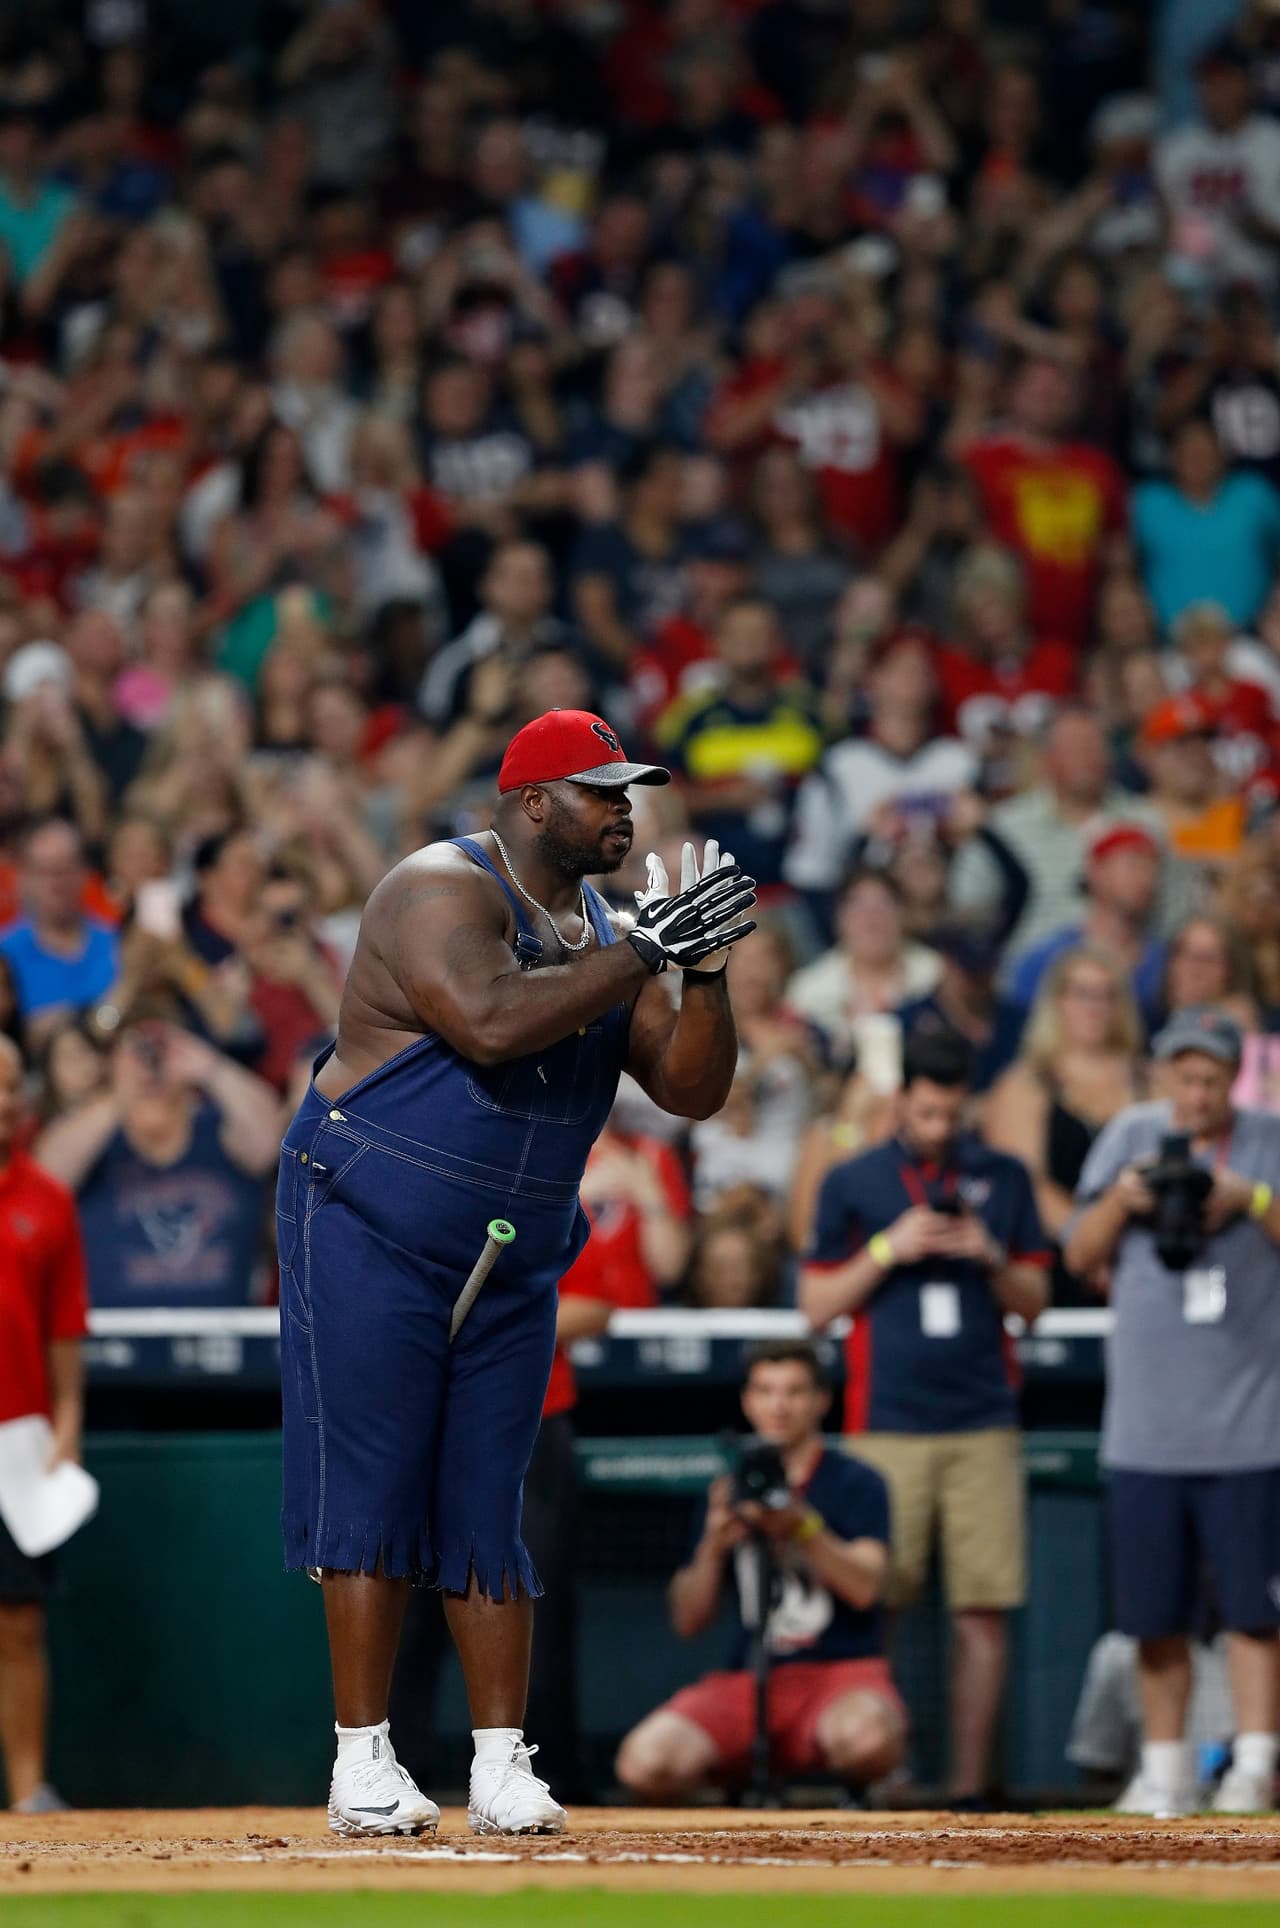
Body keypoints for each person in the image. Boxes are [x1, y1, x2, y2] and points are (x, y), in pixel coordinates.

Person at [277, 707, 757, 1837]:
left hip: (510, 1244)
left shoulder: (596, 921)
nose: (624, 813)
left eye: (628, 793)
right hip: (367, 1221)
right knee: (375, 1482)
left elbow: (688, 1090)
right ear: (534, 799)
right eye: (603, 792)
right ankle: (361, 1756)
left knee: (487, 1496)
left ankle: (500, 1760)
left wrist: (707, 974)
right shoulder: (433, 886)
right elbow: (489, 1020)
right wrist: (642, 949)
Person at [799, 1030, 1050, 1804]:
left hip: (984, 1420)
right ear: (904, 1099)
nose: (939, 1127)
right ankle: (885, 1776)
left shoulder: (1003, 1178)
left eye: (951, 1114)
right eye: (927, 1111)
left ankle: (972, 1789)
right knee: (883, 1604)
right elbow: (813, 1307)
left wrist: (989, 1254)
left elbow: (1037, 1304)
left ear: (967, 1107)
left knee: (984, 1609)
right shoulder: (856, 1180)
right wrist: (888, 1247)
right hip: (885, 1422)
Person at [1065, 1006, 1280, 1814]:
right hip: (1147, 1431)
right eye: (1184, 1076)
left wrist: (1249, 1197)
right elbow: (1078, 1255)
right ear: (1163, 1076)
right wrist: (1122, 1202)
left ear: (1234, 1078)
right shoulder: (1128, 1136)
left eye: (1211, 1078)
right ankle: (1166, 1769)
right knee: (1155, 1616)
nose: (1196, 1092)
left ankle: (1256, 1767)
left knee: (1256, 1614)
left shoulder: (1265, 1141)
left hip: (1252, 1425)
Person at [614, 1342, 905, 1799]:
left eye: (793, 1392)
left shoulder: (856, 1481)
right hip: (751, 1675)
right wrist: (713, 1544)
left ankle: (852, 1786)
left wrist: (803, 1525)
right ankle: (734, 1783)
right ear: (748, 1402)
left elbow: (867, 1587)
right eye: (766, 1391)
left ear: (820, 1401)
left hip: (839, 1672)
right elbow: (687, 1620)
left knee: (867, 1739)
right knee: (645, 1762)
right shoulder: (730, 1488)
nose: (779, 1406)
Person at [34, 1016, 281, 1308]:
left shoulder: (219, 1128)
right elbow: (47, 1176)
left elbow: (270, 1145)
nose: (151, 1062)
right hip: (115, 1339)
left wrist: (208, 1066)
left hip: (223, 1337)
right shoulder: (95, 1135)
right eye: (135, 1050)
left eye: (159, 1050)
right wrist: (120, 1091)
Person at [0, 1033, 89, 1813]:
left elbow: (64, 1329)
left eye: (8, 1085)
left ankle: (29, 1789)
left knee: (19, 1621)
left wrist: (67, 1425)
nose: (1, 1101)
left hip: (18, 1437)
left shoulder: (47, 1200)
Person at [986, 948, 1146, 1307]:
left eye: (1107, 994)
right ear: (1057, 1001)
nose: (1095, 1006)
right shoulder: (1025, 1084)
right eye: (1082, 993)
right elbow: (1027, 1181)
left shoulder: (1152, 1079)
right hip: (1062, 1261)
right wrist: (1089, 1243)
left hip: (1143, 1256)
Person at [1008, 821, 1167, 1031]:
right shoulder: (1044, 959)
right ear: (1095, 870)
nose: (1145, 877)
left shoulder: (1167, 963)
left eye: (1152, 867)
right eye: (1132, 864)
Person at [0, 820, 120, 1048]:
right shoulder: (5, 954)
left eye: (65, 869)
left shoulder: (117, 943)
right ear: (23, 877)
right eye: (44, 871)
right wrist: (111, 1008)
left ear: (85, 872)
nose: (57, 883)